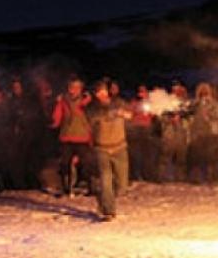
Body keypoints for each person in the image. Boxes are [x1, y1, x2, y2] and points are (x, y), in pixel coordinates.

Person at [89, 79, 131, 219]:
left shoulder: (118, 102)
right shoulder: (92, 107)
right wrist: (112, 114)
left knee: (122, 186)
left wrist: (128, 114)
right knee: (105, 180)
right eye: (98, 92)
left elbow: (130, 114)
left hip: (120, 147)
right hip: (102, 149)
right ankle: (108, 211)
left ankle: (104, 199)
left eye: (103, 91)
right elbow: (95, 118)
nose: (101, 94)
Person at [51, 77, 95, 198]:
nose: (73, 90)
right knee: (65, 163)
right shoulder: (63, 101)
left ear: (81, 89)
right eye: (71, 87)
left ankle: (90, 186)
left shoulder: (87, 101)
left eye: (76, 87)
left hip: (83, 137)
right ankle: (66, 188)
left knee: (86, 163)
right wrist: (54, 122)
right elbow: (57, 117)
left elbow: (91, 117)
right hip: (67, 136)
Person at [187, 82, 218, 184]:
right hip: (197, 132)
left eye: (206, 91)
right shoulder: (195, 103)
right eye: (202, 91)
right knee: (198, 155)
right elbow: (189, 111)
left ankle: (209, 176)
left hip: (209, 132)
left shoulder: (213, 104)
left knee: (209, 155)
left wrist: (211, 115)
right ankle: (198, 177)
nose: (204, 93)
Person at [128, 85, 156, 182]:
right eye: (141, 92)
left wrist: (151, 112)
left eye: (144, 92)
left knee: (147, 153)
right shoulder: (134, 103)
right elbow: (130, 114)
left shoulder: (150, 103)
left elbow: (153, 115)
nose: (142, 94)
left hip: (147, 128)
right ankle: (136, 174)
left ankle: (147, 174)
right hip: (137, 128)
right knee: (137, 153)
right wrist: (137, 111)